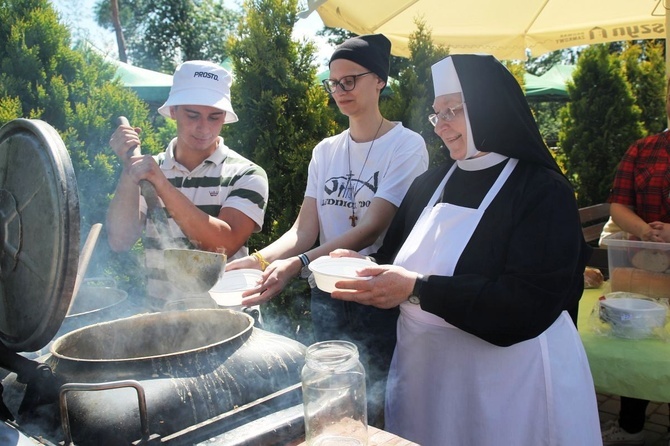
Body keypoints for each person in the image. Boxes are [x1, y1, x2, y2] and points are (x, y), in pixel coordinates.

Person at [328, 54, 602, 445]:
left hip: (506, 383)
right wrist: (364, 267)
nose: (441, 126)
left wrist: (417, 288)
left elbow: (528, 302)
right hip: (426, 376)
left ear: (488, 108)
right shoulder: (428, 184)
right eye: (436, 114)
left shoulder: (542, 191)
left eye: (451, 111)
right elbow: (394, 260)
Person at [225, 34, 428, 426]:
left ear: (380, 80)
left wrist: (298, 264)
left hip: (376, 295)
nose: (340, 90)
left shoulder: (406, 146)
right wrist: (254, 261)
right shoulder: (325, 151)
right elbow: (304, 229)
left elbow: (371, 229)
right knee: (335, 403)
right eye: (334, 83)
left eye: (350, 80)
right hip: (326, 297)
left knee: (379, 405)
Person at [106, 60, 269, 311]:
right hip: (162, 320)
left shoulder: (247, 173)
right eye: (192, 115)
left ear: (224, 117)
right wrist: (129, 172)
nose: (203, 127)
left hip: (229, 321)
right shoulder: (147, 170)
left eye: (214, 117)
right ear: (173, 111)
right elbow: (119, 240)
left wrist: (161, 184)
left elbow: (222, 245)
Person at [599, 77, 670, 446]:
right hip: (645, 266)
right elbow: (618, 204)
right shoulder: (643, 149)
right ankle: (632, 428)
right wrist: (646, 231)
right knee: (637, 340)